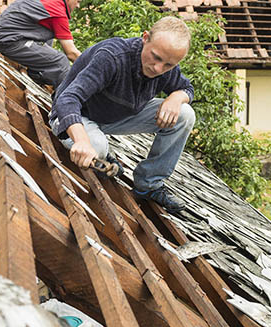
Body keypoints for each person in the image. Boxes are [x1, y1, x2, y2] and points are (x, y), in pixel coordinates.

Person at [49, 16, 196, 213]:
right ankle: (103, 152)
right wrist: (82, 141)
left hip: (114, 117)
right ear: (145, 38)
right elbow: (68, 99)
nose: (158, 68)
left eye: (168, 65)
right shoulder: (112, 57)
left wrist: (176, 98)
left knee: (185, 115)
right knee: (96, 148)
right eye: (156, 57)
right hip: (75, 116)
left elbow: (187, 88)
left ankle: (148, 185)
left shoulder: (166, 68)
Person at [0, 0, 84, 88]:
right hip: (8, 40)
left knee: (48, 36)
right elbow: (71, 53)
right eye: (78, 1)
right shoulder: (57, 11)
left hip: (1, 34)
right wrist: (91, 66)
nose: (78, 6)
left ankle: (36, 73)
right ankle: (66, 100)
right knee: (61, 62)